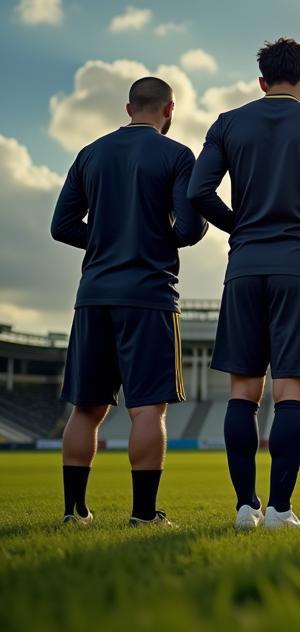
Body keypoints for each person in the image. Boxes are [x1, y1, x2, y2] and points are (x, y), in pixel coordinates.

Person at [188, 38, 300, 530]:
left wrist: (238, 226)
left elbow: (198, 191)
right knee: (291, 394)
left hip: (244, 265)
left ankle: (246, 507)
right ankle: (282, 511)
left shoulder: (227, 123)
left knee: (242, 392)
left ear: (261, 81)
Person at [51, 76, 207, 527]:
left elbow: (62, 225)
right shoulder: (177, 156)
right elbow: (189, 229)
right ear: (169, 110)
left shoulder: (90, 153)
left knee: (86, 408)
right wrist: (153, 240)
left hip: (95, 294)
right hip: (150, 296)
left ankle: (73, 511)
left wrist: (105, 240)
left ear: (128, 108)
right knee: (147, 408)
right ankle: (143, 514)